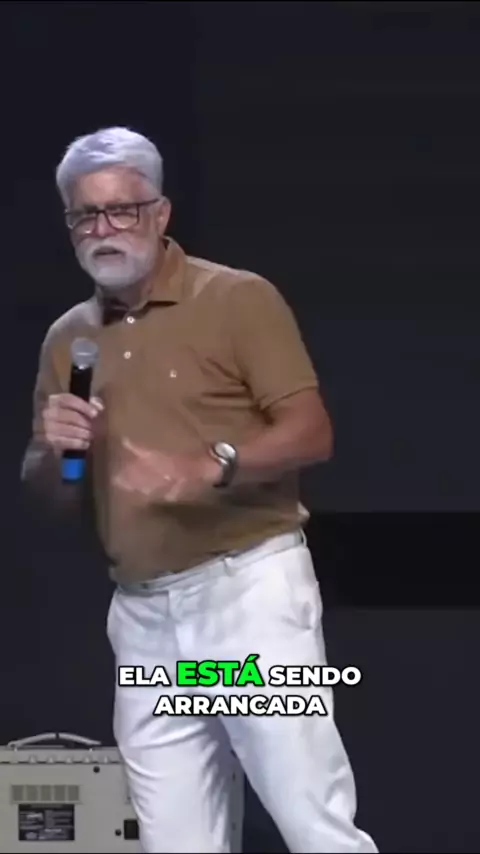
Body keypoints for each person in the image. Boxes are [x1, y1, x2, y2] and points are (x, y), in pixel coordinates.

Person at [21, 127, 377, 854]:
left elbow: (313, 432)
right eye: (86, 215)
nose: (104, 229)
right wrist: (55, 452)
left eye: (123, 210)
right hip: (144, 615)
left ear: (160, 213)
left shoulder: (236, 299)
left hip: (244, 594)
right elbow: (56, 494)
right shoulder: (68, 339)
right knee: (176, 840)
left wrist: (212, 465)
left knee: (311, 821)